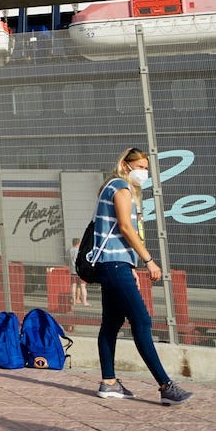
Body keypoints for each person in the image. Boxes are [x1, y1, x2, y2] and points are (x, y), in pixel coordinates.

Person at [89, 147, 192, 406]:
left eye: (146, 168)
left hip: (112, 264)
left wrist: (130, 266)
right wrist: (148, 260)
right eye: (141, 167)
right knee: (142, 321)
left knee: (111, 324)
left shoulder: (109, 187)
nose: (144, 172)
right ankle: (165, 385)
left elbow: (112, 231)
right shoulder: (121, 188)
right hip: (114, 265)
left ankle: (109, 382)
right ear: (125, 165)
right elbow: (124, 227)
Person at [69, 237, 89, 306]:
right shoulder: (81, 250)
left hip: (73, 270)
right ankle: (84, 302)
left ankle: (74, 301)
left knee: (73, 286)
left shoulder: (69, 250)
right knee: (83, 286)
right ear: (79, 243)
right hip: (81, 270)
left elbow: (66, 260)